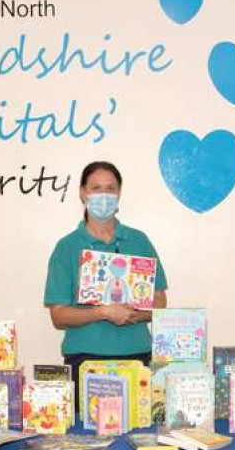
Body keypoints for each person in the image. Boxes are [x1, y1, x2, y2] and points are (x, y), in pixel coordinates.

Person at [44, 161, 168, 386]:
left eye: (111, 189)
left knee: (139, 422)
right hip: (85, 359)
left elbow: (160, 302)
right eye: (96, 188)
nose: (104, 195)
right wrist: (102, 313)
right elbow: (59, 316)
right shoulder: (67, 247)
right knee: (84, 422)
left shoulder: (139, 241)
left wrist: (130, 315)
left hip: (137, 356)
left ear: (119, 193)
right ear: (83, 193)